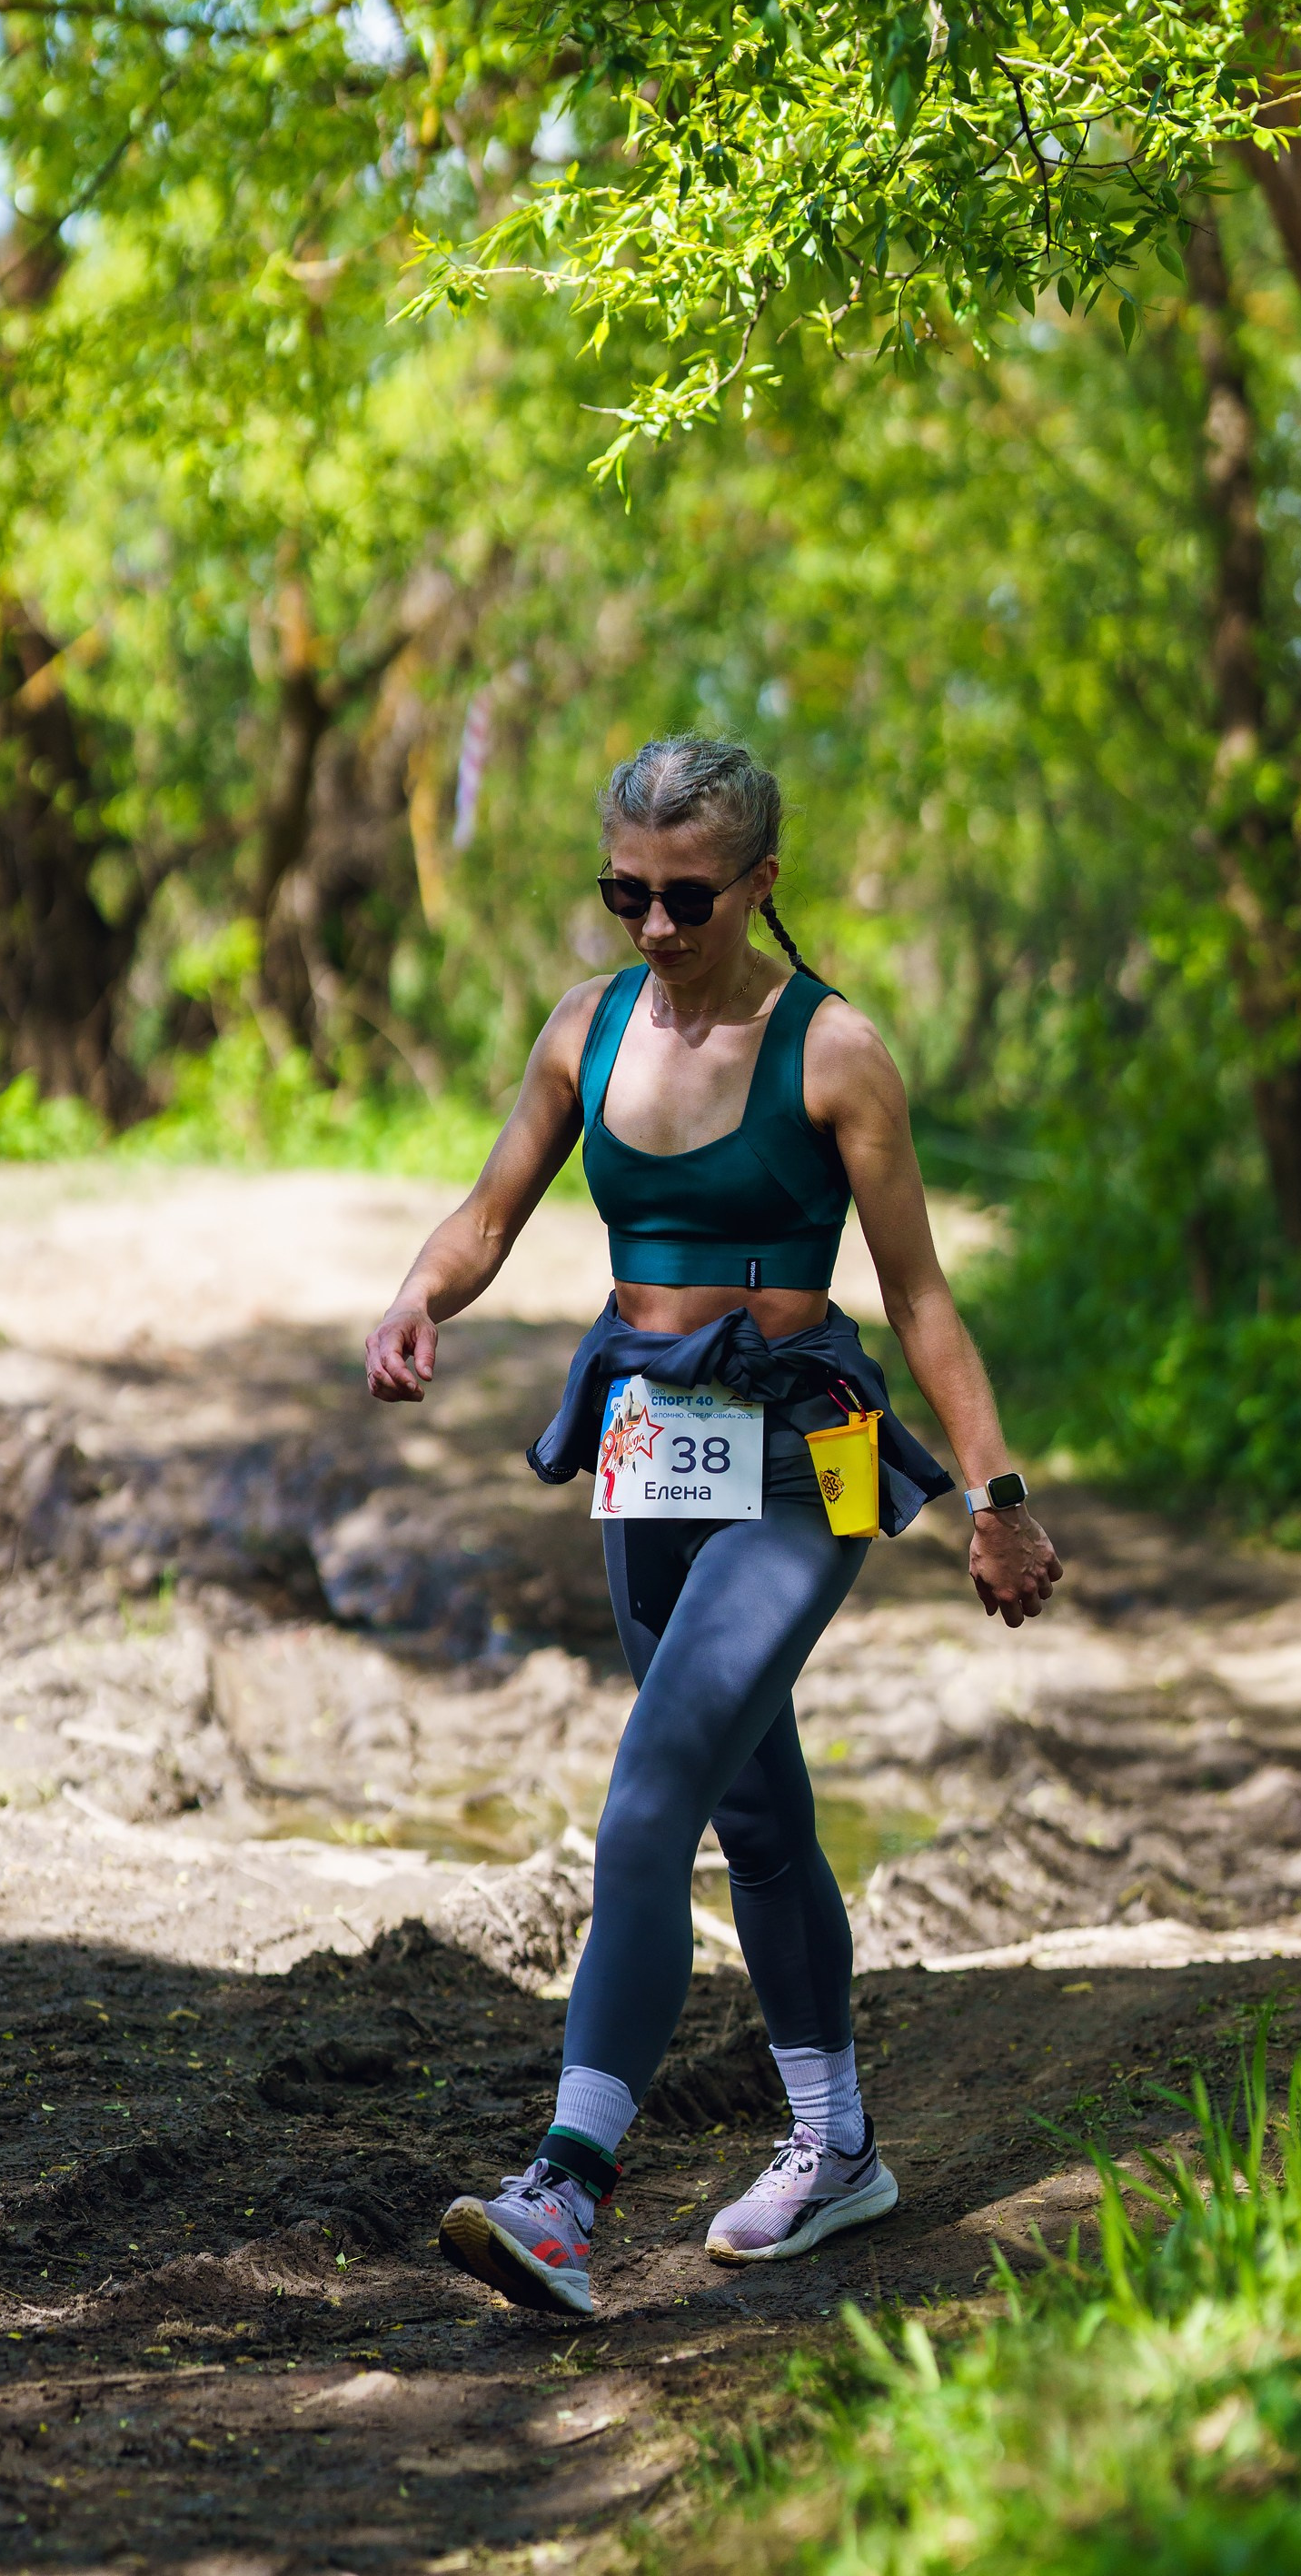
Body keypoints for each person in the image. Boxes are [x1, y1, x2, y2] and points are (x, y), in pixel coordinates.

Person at [364, 736, 1062, 2317]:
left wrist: (996, 1498)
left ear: (760, 883)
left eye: (687, 896)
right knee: (753, 1813)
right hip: (644, 1446)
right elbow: (489, 1215)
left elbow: (921, 1295)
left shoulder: (834, 1053)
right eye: (627, 891)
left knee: (650, 1792)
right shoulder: (585, 1030)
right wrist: (419, 1295)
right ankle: (838, 2148)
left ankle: (567, 2184)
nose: (655, 926)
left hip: (798, 1458)